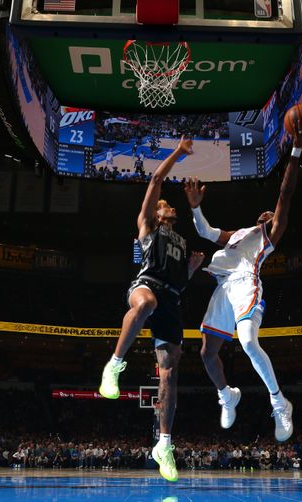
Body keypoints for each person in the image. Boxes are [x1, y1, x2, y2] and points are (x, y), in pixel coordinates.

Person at [184, 123, 302, 441]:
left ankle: (279, 401)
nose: (269, 215)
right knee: (206, 353)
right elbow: (205, 232)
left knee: (248, 342)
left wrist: (296, 150)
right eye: (265, 214)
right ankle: (227, 395)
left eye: (273, 216)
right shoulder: (240, 234)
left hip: (245, 284)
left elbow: (285, 193)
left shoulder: (267, 238)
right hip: (223, 289)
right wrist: (196, 207)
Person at [98, 136, 204, 482]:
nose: (168, 206)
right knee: (145, 302)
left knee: (170, 376)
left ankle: (165, 443)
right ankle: (114, 366)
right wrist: (178, 152)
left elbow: (182, 284)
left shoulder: (182, 240)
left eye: (168, 206)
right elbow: (157, 181)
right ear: (155, 213)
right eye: (164, 205)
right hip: (147, 286)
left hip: (172, 298)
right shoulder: (146, 226)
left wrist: (191, 269)